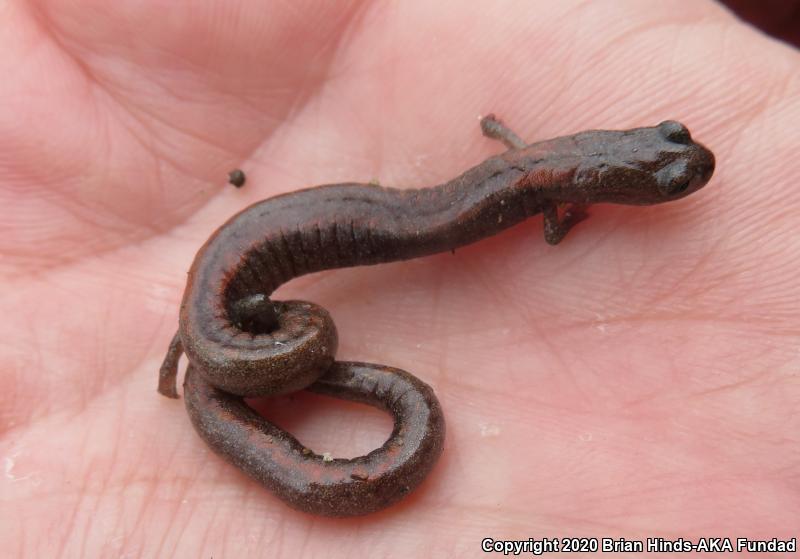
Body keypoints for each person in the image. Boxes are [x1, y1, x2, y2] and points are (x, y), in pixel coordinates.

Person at [2, 1, 798, 556]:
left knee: (232, 352)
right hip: (241, 293)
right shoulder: (553, 183)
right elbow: (550, 212)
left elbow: (537, 182)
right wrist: (563, 214)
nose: (673, 165)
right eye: (664, 165)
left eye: (664, 164)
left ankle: (213, 361)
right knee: (262, 346)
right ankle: (221, 360)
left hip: (238, 282)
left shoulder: (544, 161)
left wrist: (202, 349)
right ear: (594, 171)